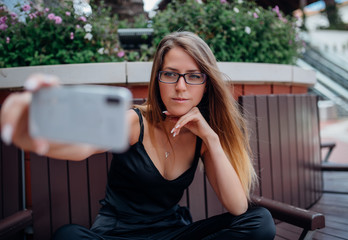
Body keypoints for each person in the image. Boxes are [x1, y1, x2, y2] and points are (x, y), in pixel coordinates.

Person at [0, 31, 276, 239]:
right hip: (117, 235)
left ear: (206, 85)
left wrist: (211, 138)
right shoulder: (135, 121)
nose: (181, 87)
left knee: (259, 221)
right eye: (171, 74)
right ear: (158, 79)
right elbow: (80, 147)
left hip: (170, 233)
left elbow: (238, 207)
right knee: (69, 235)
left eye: (193, 76)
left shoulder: (202, 137)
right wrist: (37, 129)